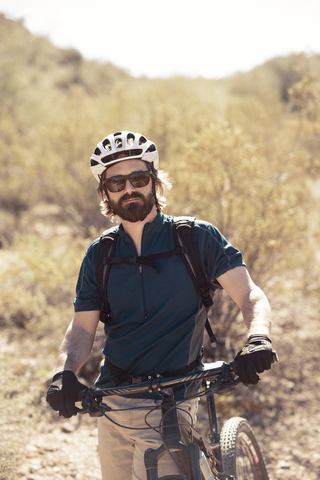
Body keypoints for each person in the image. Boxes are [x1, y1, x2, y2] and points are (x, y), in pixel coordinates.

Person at [46, 131, 273, 480]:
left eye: (138, 178)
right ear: (105, 192)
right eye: (116, 182)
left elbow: (249, 295)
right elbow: (81, 328)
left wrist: (258, 337)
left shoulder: (196, 238)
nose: (128, 189)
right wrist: (65, 374)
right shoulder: (100, 254)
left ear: (154, 182)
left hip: (173, 395)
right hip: (115, 397)